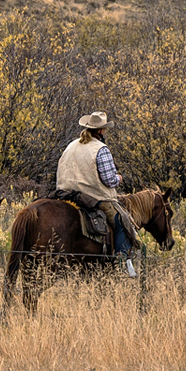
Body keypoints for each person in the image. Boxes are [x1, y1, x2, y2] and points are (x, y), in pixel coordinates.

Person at [56, 110, 137, 276]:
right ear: (100, 130)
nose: (105, 131)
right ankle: (121, 263)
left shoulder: (71, 145)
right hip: (92, 196)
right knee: (122, 221)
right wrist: (118, 178)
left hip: (65, 193)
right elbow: (109, 180)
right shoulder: (101, 149)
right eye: (105, 128)